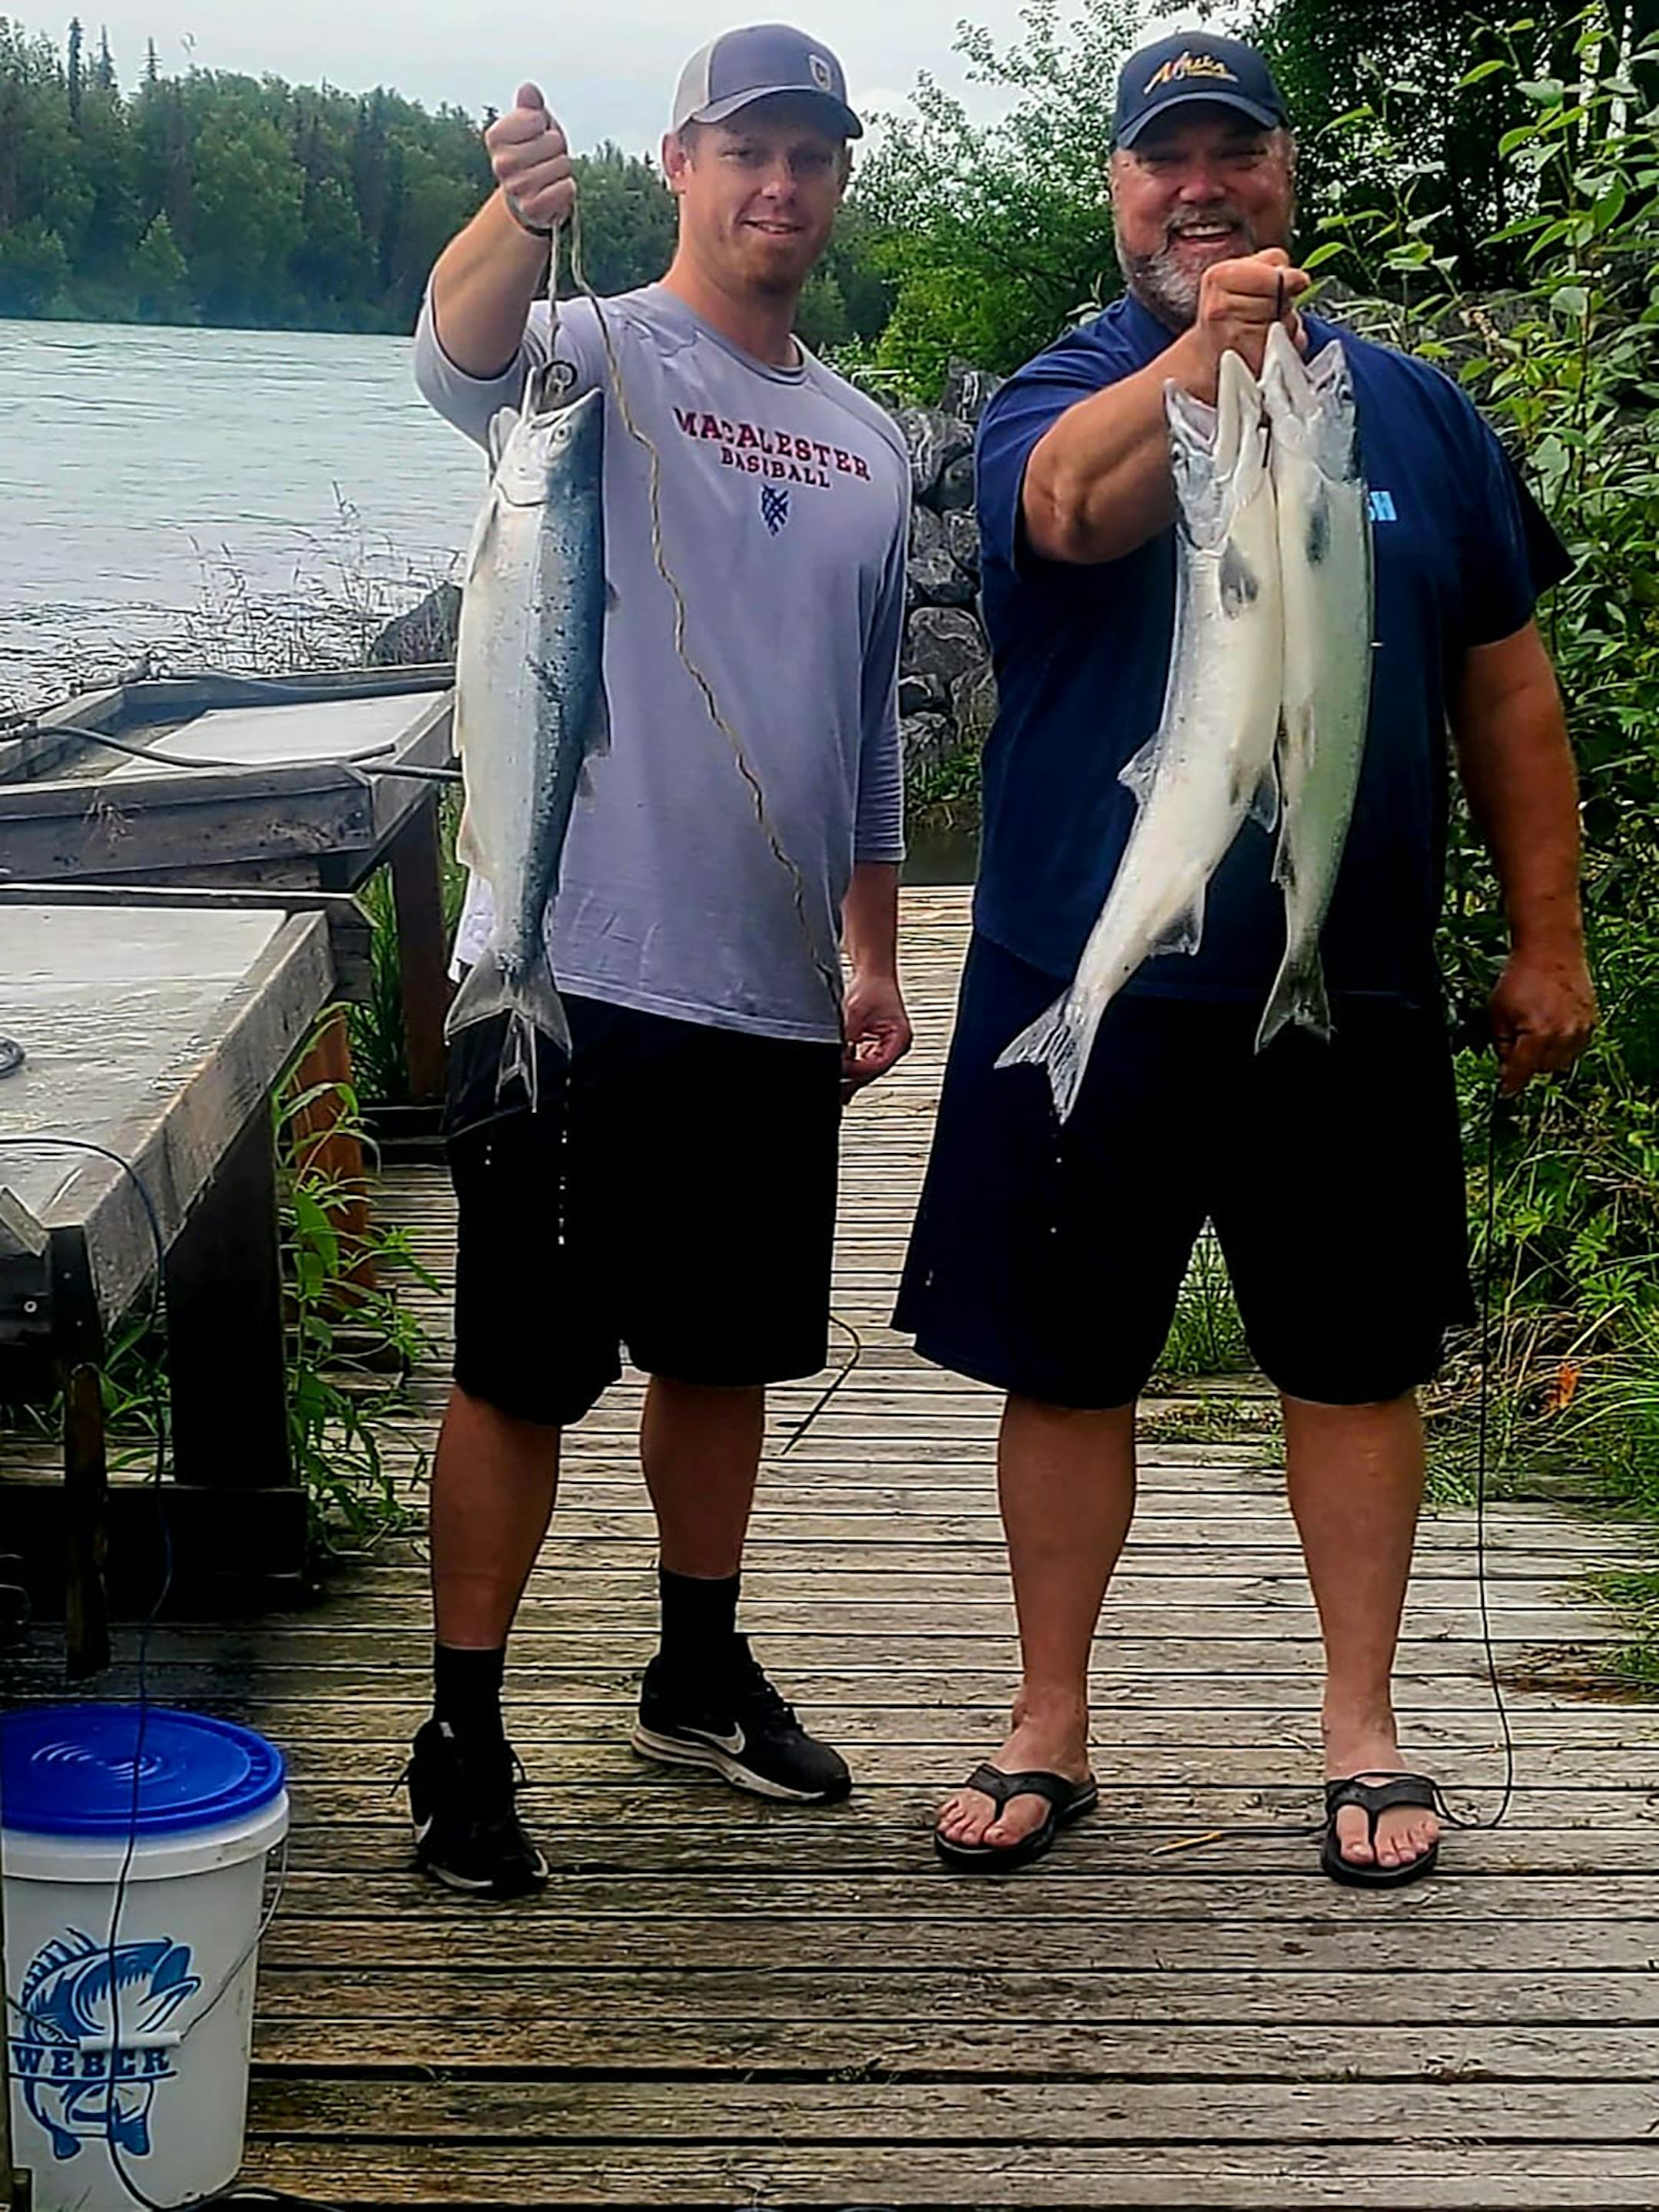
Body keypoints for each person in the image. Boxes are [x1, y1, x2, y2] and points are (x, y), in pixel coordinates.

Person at [896, 29, 1596, 1885]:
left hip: (1342, 985)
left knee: (1356, 1364)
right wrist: (1208, 357)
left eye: (1235, 153)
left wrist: (1550, 936)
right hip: (1094, 971)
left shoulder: (1414, 416)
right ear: (1117, 191)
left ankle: (1361, 1725)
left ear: (1287, 173)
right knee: (1067, 1368)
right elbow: (1066, 512)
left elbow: (1508, 688)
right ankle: (1052, 1719)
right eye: (1162, 159)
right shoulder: (1066, 386)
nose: (1199, 186)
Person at [407, 25, 913, 1898]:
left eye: (812, 156)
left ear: (836, 184)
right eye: (746, 150)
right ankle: (461, 1731)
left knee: (725, 1365)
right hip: (565, 974)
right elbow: (461, 347)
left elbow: (866, 726)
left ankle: (693, 1673)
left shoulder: (875, 440)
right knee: (519, 1376)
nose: (779, 185)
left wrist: (870, 944)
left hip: (772, 1000)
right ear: (684, 163)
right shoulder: (589, 354)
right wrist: (514, 213)